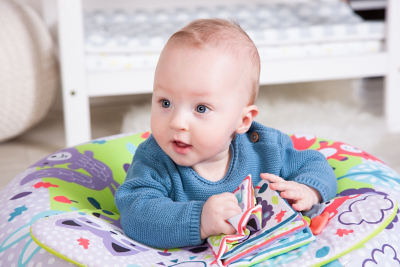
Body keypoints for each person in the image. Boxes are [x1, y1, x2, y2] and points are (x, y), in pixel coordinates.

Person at [114, 18, 337, 249]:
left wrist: (307, 190)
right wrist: (200, 219)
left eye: (201, 108)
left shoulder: (265, 148)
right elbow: (135, 213)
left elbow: (316, 165)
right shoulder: (155, 159)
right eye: (165, 102)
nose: (177, 122)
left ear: (242, 121)